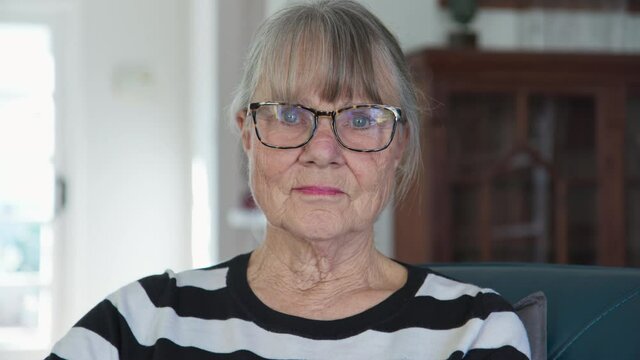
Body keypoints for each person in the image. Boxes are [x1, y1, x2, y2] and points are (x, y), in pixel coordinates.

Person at [47, 1, 531, 359]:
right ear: (248, 134)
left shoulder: (475, 329)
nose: (323, 150)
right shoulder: (139, 322)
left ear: (399, 145)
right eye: (289, 114)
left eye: (361, 119)